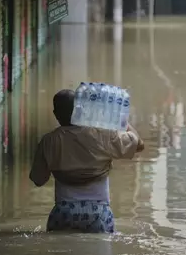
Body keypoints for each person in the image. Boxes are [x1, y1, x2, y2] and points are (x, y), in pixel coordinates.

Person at [29, 89, 145, 233]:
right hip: (98, 214)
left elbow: (38, 180)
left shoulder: (48, 141)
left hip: (63, 214)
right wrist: (117, 120)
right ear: (80, 110)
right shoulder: (103, 135)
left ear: (56, 114)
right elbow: (139, 145)